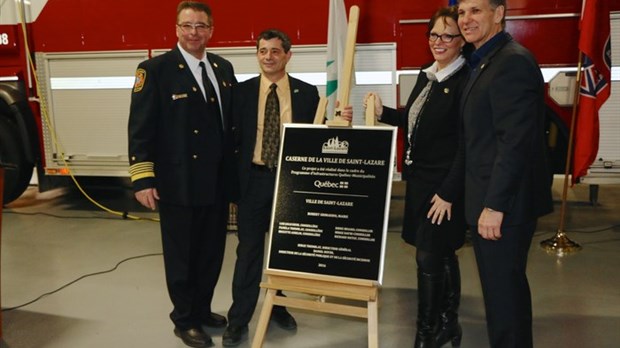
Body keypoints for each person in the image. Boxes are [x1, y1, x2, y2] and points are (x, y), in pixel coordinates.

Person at [223, 28, 352, 347]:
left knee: (284, 252)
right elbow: (229, 140)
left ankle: (277, 304)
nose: (268, 56)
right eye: (262, 50)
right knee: (249, 251)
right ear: (257, 55)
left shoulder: (308, 94)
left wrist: (340, 121)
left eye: (275, 51)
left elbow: (321, 137)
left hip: (291, 184)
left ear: (288, 55)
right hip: (252, 182)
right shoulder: (240, 93)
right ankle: (239, 319)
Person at [127, 1, 237, 347]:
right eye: (187, 25)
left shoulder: (222, 67)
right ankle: (184, 318)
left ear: (211, 30)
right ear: (176, 29)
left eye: (201, 26)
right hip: (178, 181)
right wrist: (143, 179)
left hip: (216, 181)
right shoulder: (155, 70)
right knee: (182, 254)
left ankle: (202, 309)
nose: (194, 33)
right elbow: (140, 129)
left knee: (211, 252)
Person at [364, 6, 468, 348]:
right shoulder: (428, 76)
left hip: (444, 187)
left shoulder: (465, 80)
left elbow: (468, 145)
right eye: (434, 34)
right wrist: (384, 114)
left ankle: (426, 335)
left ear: (462, 40)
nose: (439, 42)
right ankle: (448, 322)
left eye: (448, 35)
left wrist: (450, 192)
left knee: (428, 256)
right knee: (442, 254)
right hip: (420, 181)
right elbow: (414, 121)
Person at [455, 0, 553, 347]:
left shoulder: (511, 63)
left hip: (503, 207)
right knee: (499, 295)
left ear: (499, 14)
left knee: (505, 298)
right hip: (489, 200)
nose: (466, 20)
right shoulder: (484, 62)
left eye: (476, 11)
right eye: (462, 12)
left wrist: (495, 205)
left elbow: (515, 143)